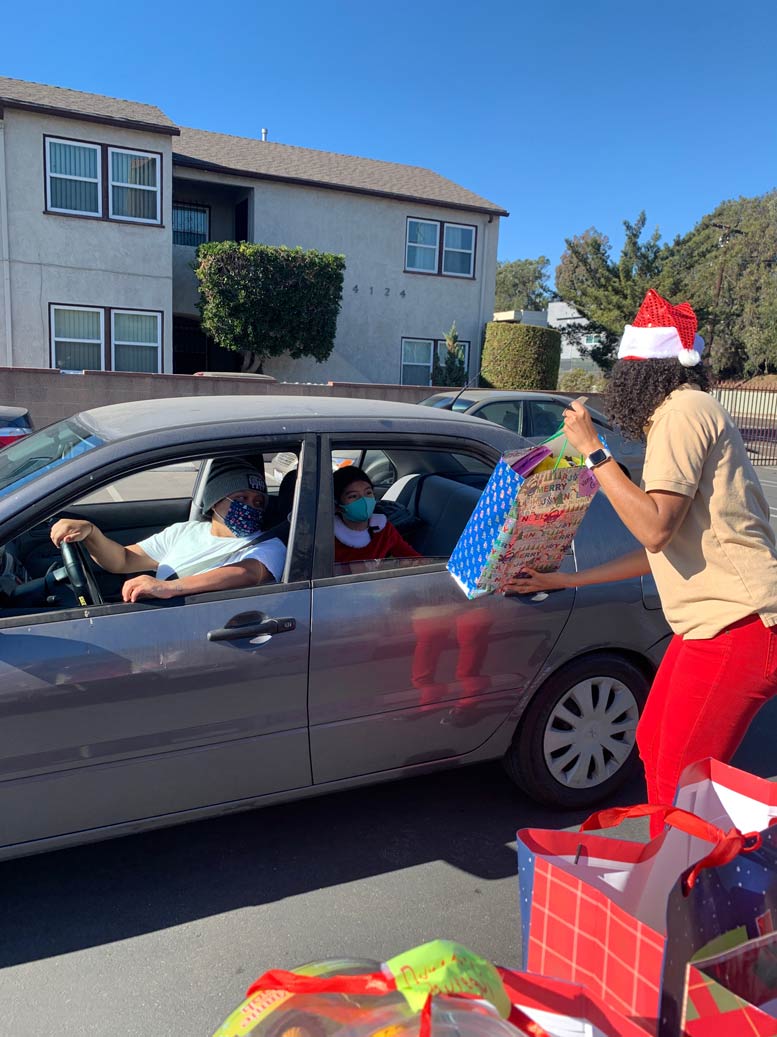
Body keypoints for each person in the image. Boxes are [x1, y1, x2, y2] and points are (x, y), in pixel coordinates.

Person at [508, 289, 777, 823]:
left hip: (738, 623)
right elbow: (661, 552)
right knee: (654, 742)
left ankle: (688, 870)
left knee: (680, 779)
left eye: (623, 370)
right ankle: (686, 860)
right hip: (713, 623)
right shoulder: (686, 411)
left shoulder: (683, 412)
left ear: (640, 370)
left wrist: (594, 452)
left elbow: (654, 529)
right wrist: (565, 581)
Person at [50, 458, 286, 602]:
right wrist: (91, 532)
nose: (250, 507)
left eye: (258, 501)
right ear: (215, 501)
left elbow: (248, 573)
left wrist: (169, 587)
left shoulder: (269, 545)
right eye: (241, 498)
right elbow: (122, 560)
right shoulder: (186, 531)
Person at [333, 465, 421, 564]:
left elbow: (413, 558)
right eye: (353, 496)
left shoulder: (383, 528)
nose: (364, 500)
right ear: (337, 505)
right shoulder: (327, 535)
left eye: (368, 493)